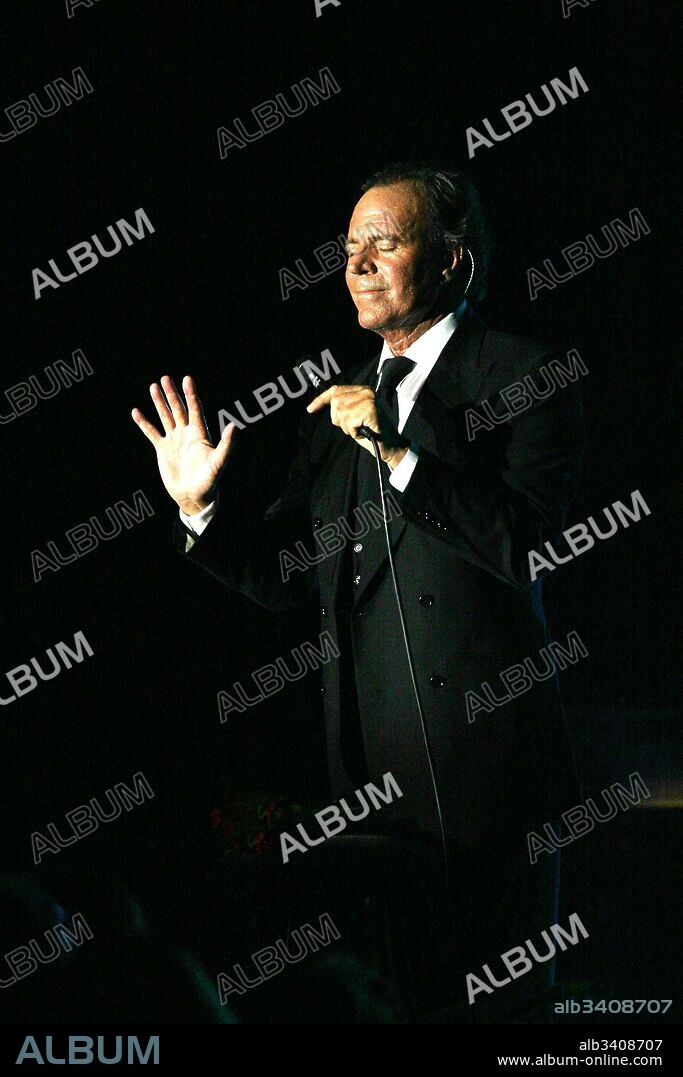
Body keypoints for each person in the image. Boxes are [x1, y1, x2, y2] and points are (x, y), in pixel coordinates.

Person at [131, 164, 584, 1020]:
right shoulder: (339, 407)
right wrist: (201, 509)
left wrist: (401, 454)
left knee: (505, 1015)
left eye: (385, 241)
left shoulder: (524, 373)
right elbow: (290, 580)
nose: (359, 264)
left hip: (493, 787)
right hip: (373, 800)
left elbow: (531, 545)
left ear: (453, 261)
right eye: (348, 249)